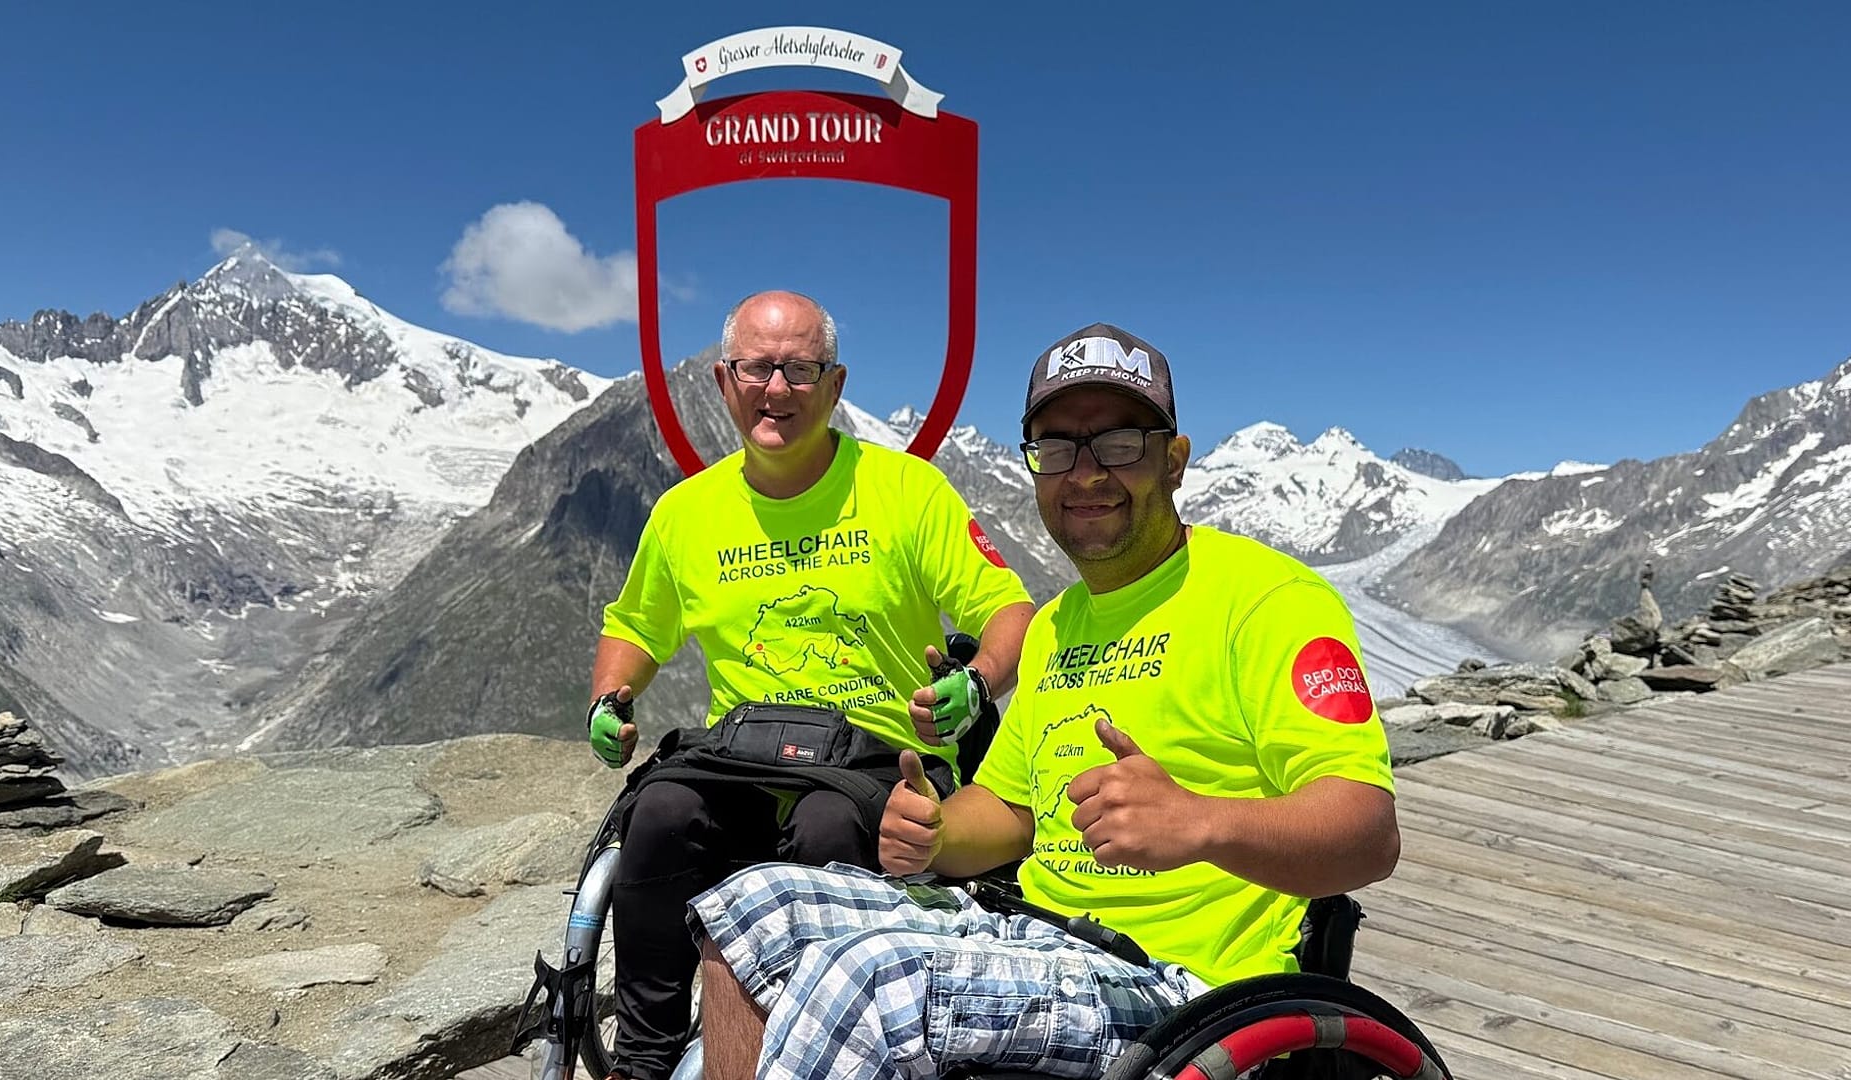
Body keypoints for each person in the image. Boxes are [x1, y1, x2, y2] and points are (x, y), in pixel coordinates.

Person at [687, 323, 1401, 1080]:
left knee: (866, 984)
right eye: (1057, 448)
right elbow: (1011, 811)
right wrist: (932, 834)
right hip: (1031, 935)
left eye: (1119, 443)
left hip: (1181, 989)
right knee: (748, 909)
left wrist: (1200, 821)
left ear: (1176, 461)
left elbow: (1368, 833)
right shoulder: (1057, 624)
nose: (1085, 473)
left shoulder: (1267, 602)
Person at [587, 290, 1036, 1080]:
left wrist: (978, 679)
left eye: (801, 369)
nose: (777, 389)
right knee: (658, 813)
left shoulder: (907, 492)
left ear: (834, 385)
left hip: (876, 756)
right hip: (742, 754)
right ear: (726, 381)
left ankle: (816, 1055)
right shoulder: (686, 513)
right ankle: (646, 1059)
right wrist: (611, 697)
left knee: (830, 829)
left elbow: (1007, 606)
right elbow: (636, 626)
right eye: (759, 368)